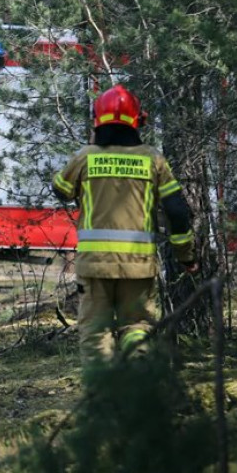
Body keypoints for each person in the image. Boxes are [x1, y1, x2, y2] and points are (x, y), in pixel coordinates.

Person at [51, 85, 197, 366]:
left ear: (98, 120)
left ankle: (103, 395)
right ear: (138, 120)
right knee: (137, 326)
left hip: (95, 266)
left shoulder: (86, 157)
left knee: (96, 331)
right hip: (138, 264)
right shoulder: (153, 159)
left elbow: (60, 189)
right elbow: (178, 211)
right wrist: (186, 256)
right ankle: (136, 380)